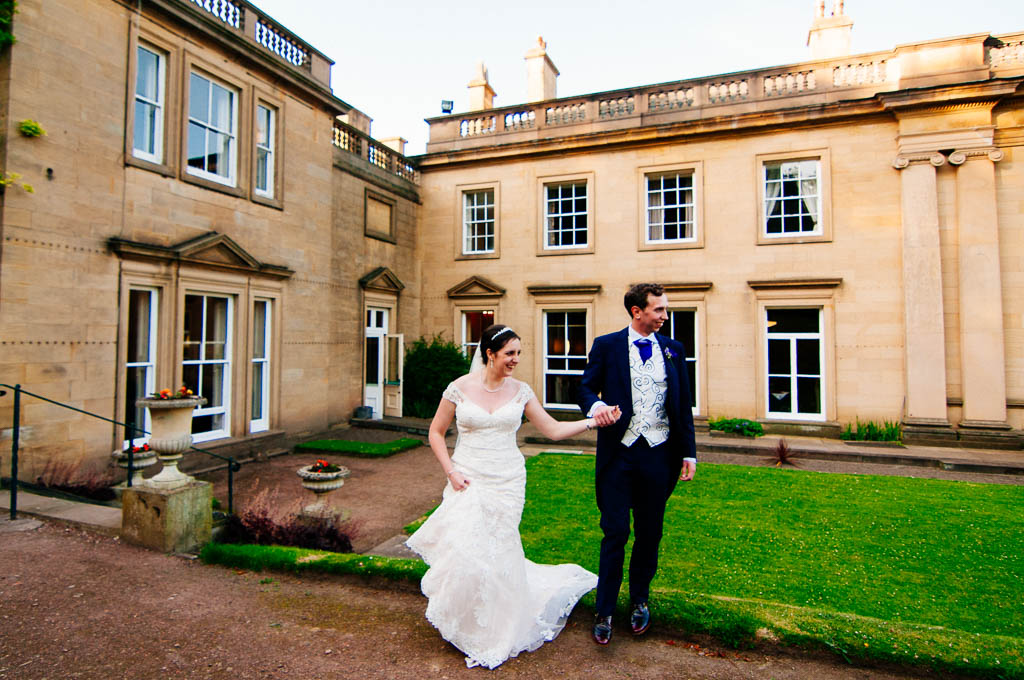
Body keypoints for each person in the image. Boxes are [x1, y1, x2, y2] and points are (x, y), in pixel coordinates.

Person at [406, 324, 621, 669]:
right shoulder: (459, 388)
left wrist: (593, 422)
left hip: (507, 481)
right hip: (467, 478)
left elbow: (552, 429)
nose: (515, 359)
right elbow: (435, 432)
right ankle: (466, 620)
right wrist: (451, 471)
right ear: (489, 354)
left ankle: (497, 626)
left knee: (499, 551)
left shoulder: (521, 391)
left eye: (519, 353)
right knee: (466, 550)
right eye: (509, 353)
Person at [578, 282, 697, 645]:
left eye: (665, 309)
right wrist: (597, 406)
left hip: (659, 455)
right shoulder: (607, 345)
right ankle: (604, 610)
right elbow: (585, 388)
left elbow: (683, 404)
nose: (665, 316)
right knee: (615, 532)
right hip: (619, 455)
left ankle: (639, 601)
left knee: (650, 532)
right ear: (637, 311)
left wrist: (689, 452)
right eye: (659, 309)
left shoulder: (674, 350)